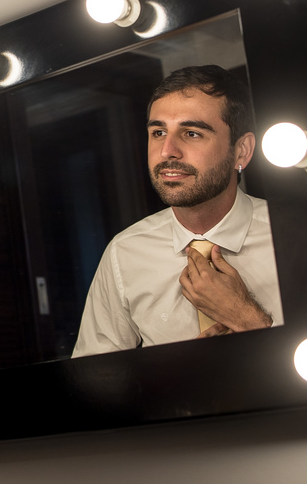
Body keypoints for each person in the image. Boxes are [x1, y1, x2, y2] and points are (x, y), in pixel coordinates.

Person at [72, 65, 283, 357]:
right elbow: (96, 376)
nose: (167, 151)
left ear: (241, 151)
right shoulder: (124, 253)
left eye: (192, 133)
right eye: (158, 132)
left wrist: (246, 319)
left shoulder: (294, 237)